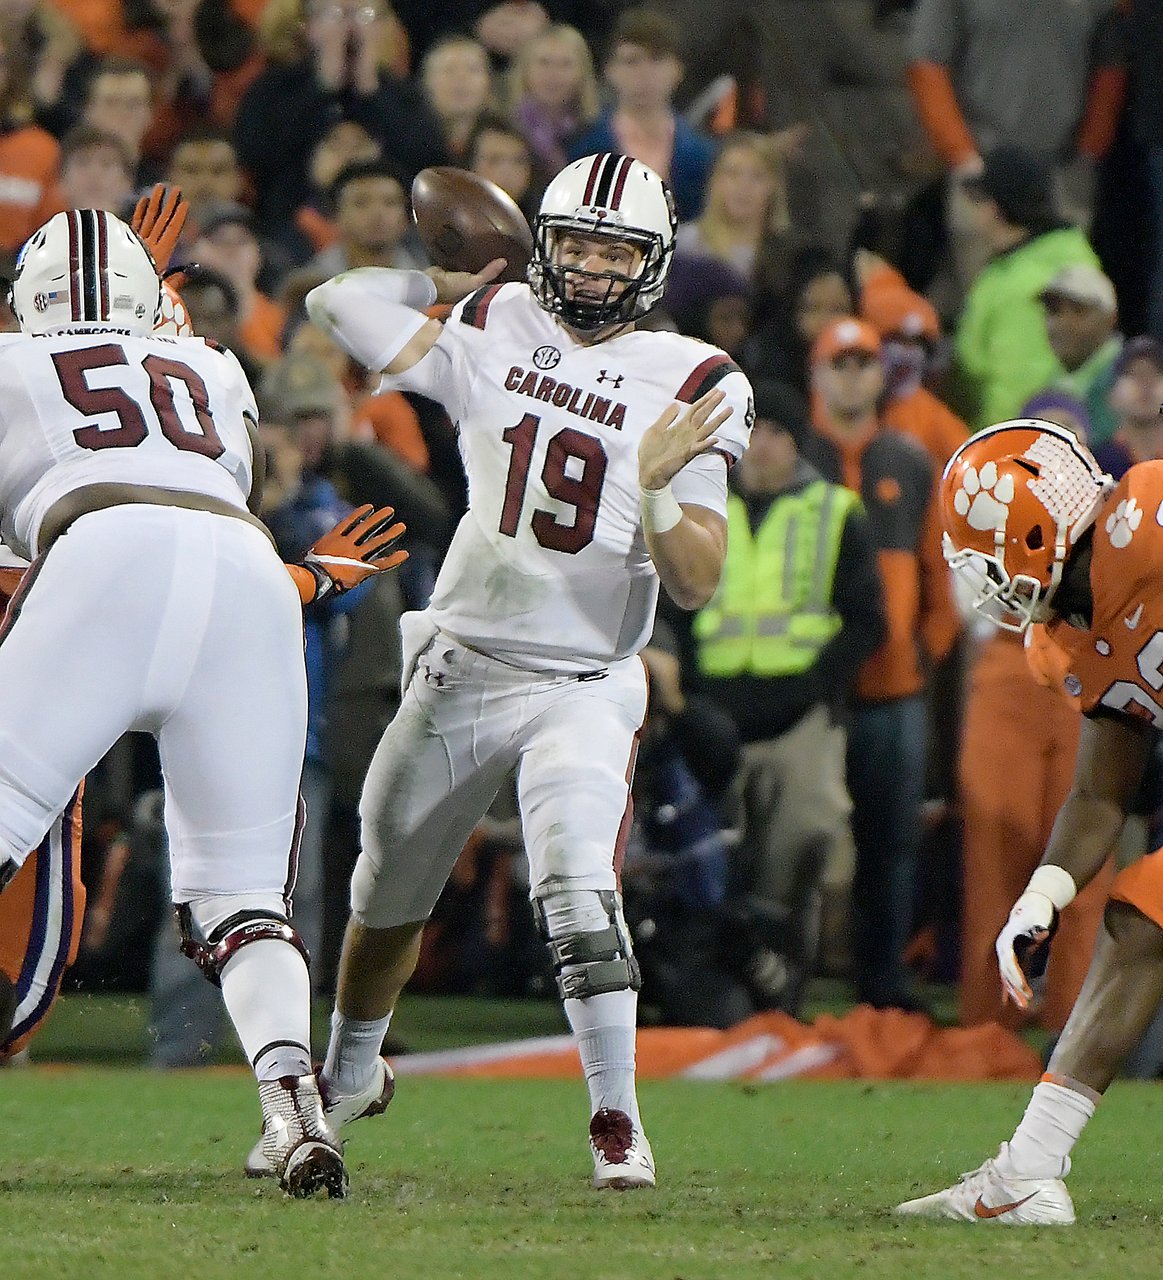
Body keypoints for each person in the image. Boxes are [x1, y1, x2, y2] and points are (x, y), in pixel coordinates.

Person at [297, 152, 752, 1189]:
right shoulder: (493, 320)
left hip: (585, 680)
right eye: (575, 244)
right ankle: (348, 1075)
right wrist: (451, 278)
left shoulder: (696, 377)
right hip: (463, 657)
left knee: (575, 884)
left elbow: (694, 584)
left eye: (616, 250)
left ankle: (615, 1119)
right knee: (384, 888)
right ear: (540, 244)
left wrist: (658, 489)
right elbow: (334, 299)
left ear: (654, 260)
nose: (591, 268)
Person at [0, 207, 406, 1197]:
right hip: (253, 577)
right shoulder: (218, 370)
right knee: (241, 896)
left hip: (97, 555)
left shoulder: (9, 362)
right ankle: (292, 1105)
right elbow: (198, 508)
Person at [895, 416, 1163, 1223]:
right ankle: (1023, 1177)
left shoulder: (1150, 517)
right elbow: (1099, 793)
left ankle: (1022, 1177)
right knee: (1143, 914)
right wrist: (1040, 898)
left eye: (980, 550)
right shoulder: (1069, 643)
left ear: (1029, 532)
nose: (977, 577)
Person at [688, 379, 885, 1012]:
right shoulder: (704, 506)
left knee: (804, 836)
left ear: (796, 442)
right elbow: (676, 597)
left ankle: (783, 986)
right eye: (755, 432)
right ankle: (708, 988)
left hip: (799, 711)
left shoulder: (834, 509)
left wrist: (815, 685)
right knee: (715, 856)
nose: (763, 445)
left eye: (776, 432)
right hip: (714, 714)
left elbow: (866, 620)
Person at [801, 316, 960, 1010]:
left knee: (890, 849)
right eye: (839, 362)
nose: (852, 374)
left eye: (864, 361)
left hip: (894, 689)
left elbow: (940, 575)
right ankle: (789, 983)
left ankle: (883, 985)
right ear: (817, 374)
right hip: (811, 692)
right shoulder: (793, 457)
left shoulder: (907, 460)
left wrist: (923, 653)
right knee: (802, 846)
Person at [1038, 263, 1123, 448]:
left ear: (1110, 318)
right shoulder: (1053, 381)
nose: (1063, 323)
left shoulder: (1126, 378)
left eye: (1079, 311)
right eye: (1054, 311)